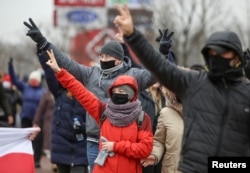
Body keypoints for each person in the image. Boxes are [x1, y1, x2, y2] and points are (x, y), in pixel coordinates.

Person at [114, 4, 250, 173]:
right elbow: (159, 67)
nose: (215, 57)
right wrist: (132, 35)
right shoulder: (195, 83)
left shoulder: (246, 93)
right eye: (211, 53)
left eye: (221, 53)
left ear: (236, 56)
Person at [23, 18, 156, 173]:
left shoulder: (133, 75)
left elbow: (156, 74)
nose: (103, 60)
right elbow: (68, 65)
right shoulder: (92, 74)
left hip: (126, 143)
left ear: (119, 59)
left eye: (107, 57)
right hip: (95, 141)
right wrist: (43, 43)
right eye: (101, 56)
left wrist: (165, 55)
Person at [45, 48, 153, 173]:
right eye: (115, 91)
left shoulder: (142, 118)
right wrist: (59, 72)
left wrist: (115, 146)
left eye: (122, 91)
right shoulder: (103, 111)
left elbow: (145, 148)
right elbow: (80, 91)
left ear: (131, 94)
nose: (118, 94)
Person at [36, 52, 89, 173]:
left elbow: (94, 121)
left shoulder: (86, 96)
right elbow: (49, 74)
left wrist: (83, 127)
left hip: (80, 149)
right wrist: (41, 52)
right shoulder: (59, 93)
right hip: (62, 148)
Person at [8, 58, 46, 168]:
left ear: (39, 81)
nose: (33, 81)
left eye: (35, 80)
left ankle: (37, 160)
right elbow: (14, 80)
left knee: (37, 141)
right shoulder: (25, 87)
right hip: (25, 118)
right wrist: (10, 67)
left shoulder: (42, 92)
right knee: (25, 139)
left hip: (38, 120)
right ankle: (24, 158)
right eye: (32, 79)